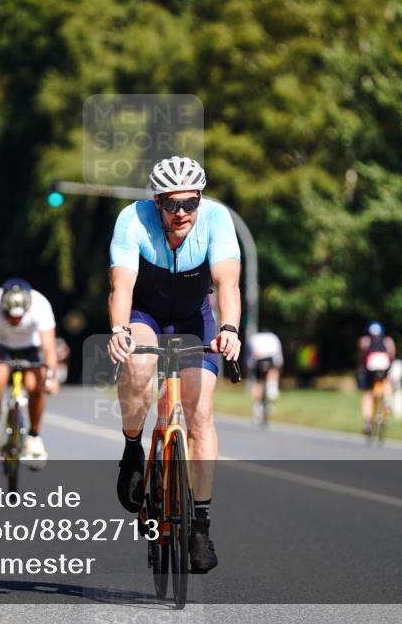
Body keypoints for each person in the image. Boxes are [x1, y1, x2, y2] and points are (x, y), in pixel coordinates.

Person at [107, 155, 241, 574]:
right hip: (145, 314)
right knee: (140, 367)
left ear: (200, 200)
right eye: (172, 204)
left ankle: (200, 527)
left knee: (201, 415)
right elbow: (121, 285)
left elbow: (227, 283)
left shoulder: (217, 219)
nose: (181, 213)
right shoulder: (133, 220)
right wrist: (118, 331)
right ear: (157, 202)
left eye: (190, 203)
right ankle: (132, 450)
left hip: (194, 317)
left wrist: (231, 328)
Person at [0, 278, 60, 465]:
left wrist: (51, 377)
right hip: (2, 348)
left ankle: (34, 436)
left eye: (19, 317)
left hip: (30, 348)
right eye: (10, 316)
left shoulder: (40, 304)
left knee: (35, 386)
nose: (15, 320)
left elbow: (49, 347)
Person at [356, 321, 396, 436]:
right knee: (386, 381)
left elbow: (361, 358)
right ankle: (388, 399)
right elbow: (392, 355)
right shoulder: (388, 341)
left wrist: (359, 369)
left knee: (368, 393)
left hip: (371, 366)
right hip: (384, 364)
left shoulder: (365, 341)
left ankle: (368, 421)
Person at [247, 330, 282, 426]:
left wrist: (250, 367)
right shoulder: (273, 337)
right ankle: (272, 387)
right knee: (273, 370)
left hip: (258, 357)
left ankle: (257, 407)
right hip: (270, 356)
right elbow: (278, 358)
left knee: (258, 381)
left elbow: (249, 358)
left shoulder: (253, 338)